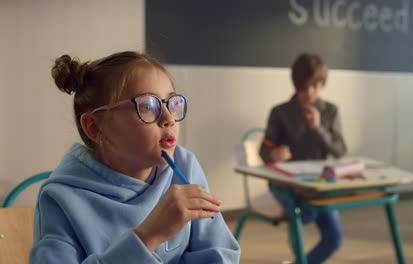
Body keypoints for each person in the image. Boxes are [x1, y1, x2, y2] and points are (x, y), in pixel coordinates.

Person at [29, 51, 241, 263]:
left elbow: (219, 251)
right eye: (148, 106)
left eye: (171, 104)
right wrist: (148, 236)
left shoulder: (185, 165)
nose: (169, 119)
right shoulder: (60, 198)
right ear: (95, 127)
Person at [259, 53, 346, 263]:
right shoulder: (280, 112)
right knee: (305, 214)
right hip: (286, 184)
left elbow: (340, 151)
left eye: (314, 86)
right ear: (296, 84)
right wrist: (273, 154)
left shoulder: (331, 111)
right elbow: (264, 148)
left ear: (322, 84)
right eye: (304, 87)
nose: (309, 93)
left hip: (319, 184)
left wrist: (319, 129)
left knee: (334, 237)